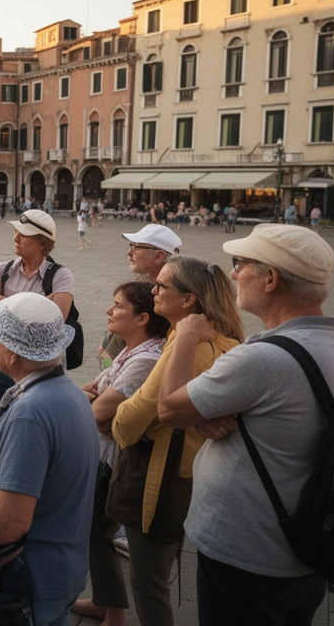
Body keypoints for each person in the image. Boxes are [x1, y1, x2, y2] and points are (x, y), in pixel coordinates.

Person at [156, 225, 334, 626]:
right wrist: (208, 419)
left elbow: (169, 409)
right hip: (310, 548)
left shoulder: (261, 359)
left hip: (248, 553)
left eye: (241, 264)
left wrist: (185, 335)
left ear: (270, 279)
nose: (233, 274)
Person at [111, 256, 244, 626]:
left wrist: (119, 417)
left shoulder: (186, 345)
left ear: (189, 300)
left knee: (150, 585)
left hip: (159, 479)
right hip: (195, 476)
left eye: (162, 286)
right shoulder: (229, 341)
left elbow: (131, 419)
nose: (153, 289)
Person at [0, 293, 99, 625]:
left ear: (13, 355)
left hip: (25, 586)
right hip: (59, 574)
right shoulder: (68, 391)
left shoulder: (31, 414)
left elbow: (12, 523)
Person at [72, 281, 169, 626]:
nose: (109, 311)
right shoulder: (133, 351)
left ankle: (114, 613)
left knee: (97, 533)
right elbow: (90, 393)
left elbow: (97, 411)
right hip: (106, 455)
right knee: (95, 533)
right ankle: (105, 603)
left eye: (117, 306)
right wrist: (94, 400)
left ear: (143, 318)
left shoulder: (145, 359)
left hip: (116, 463)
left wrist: (95, 403)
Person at [0, 209, 74, 433]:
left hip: (37, 365)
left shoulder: (61, 275)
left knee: (33, 427)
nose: (15, 238)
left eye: (23, 234)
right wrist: (38, 303)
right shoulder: (3, 269)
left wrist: (3, 304)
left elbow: (55, 321)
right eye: (16, 232)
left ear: (42, 243)